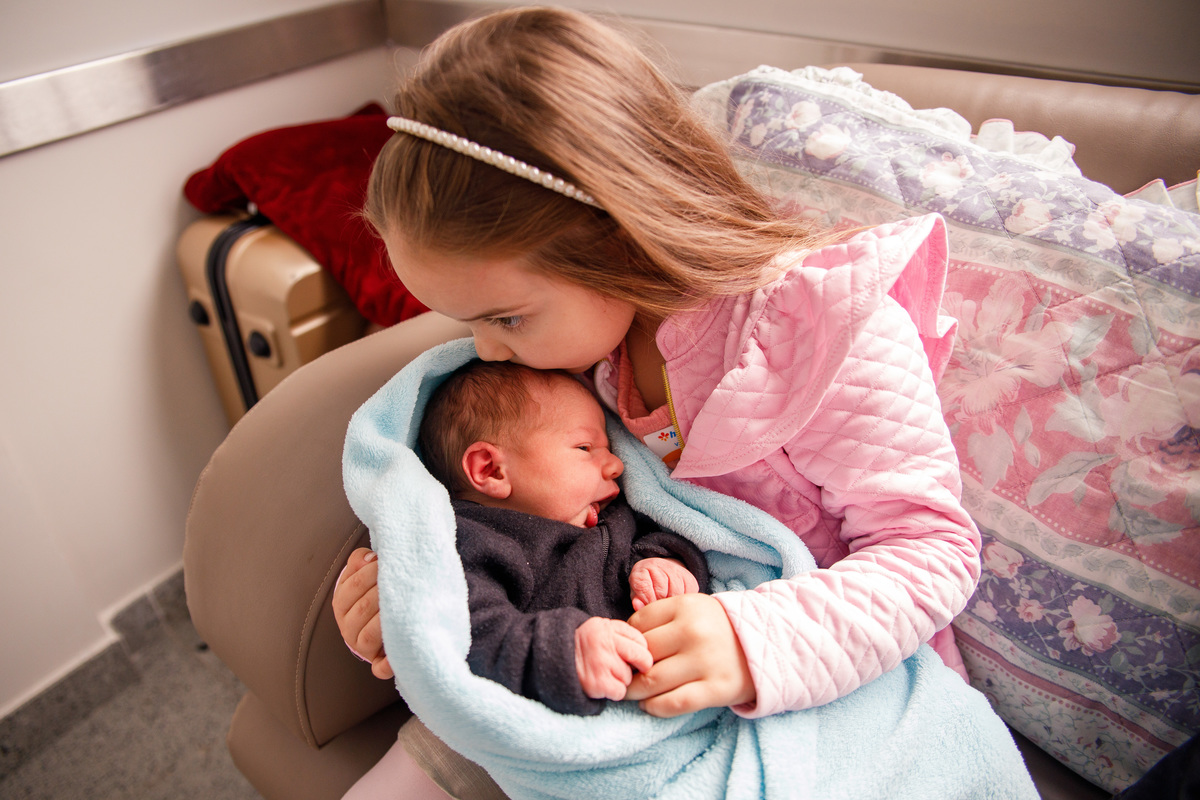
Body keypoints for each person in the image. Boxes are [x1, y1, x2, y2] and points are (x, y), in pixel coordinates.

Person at [333, 6, 981, 798]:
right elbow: (498, 501)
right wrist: (409, 577)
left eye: (504, 317)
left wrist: (752, 641)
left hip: (813, 663)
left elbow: (933, 551)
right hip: (591, 653)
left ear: (618, 240)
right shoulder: (577, 355)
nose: (488, 350)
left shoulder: (827, 332)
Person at [416, 357, 708, 715]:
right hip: (560, 719)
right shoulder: (471, 543)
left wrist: (664, 563)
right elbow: (471, 633)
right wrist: (566, 651)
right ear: (491, 470)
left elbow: (664, 533)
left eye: (609, 448)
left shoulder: (611, 516)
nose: (616, 464)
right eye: (585, 448)